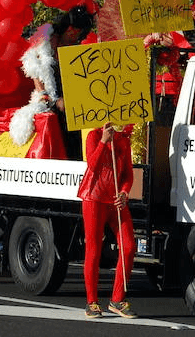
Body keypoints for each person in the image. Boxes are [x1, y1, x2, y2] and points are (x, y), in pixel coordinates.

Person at [10, 4, 95, 159]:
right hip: (47, 96)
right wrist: (48, 98)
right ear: (70, 29)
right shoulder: (44, 39)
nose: (77, 37)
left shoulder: (74, 45)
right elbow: (33, 67)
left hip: (71, 96)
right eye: (77, 33)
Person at [79, 122, 137, 319]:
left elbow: (128, 174)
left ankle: (117, 300)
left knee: (129, 246)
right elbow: (92, 166)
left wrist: (124, 192)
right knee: (94, 249)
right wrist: (103, 141)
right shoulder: (93, 136)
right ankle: (91, 302)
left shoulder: (124, 141)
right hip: (93, 197)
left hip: (115, 200)